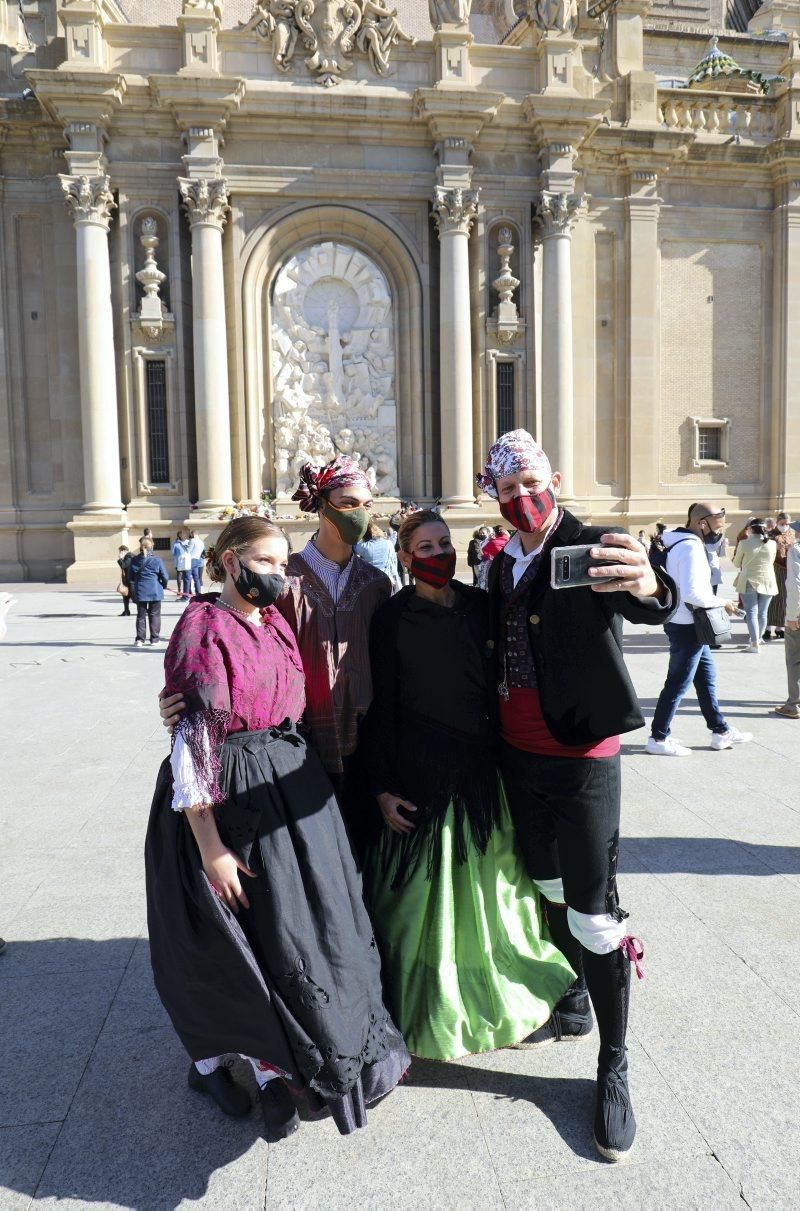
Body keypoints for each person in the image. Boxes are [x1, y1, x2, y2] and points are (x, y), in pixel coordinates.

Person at [145, 517, 409, 1140]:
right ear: (231, 561)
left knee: (287, 933)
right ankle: (212, 1063)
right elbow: (194, 739)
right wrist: (210, 846)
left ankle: (276, 1068)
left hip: (288, 787)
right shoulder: (201, 627)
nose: (281, 573)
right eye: (268, 560)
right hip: (228, 798)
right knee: (231, 940)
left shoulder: (277, 624)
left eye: (286, 562)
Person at [479, 429, 674, 1163]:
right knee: (545, 887)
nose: (524, 499)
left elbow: (652, 603)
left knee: (595, 914)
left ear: (554, 478)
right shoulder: (501, 565)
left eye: (532, 483)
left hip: (583, 760)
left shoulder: (596, 545)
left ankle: (615, 1064)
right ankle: (576, 997)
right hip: (517, 759)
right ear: (493, 499)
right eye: (508, 490)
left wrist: (652, 585)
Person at [362, 509, 574, 1060]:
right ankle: (424, 1012)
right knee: (416, 904)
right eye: (425, 547)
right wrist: (381, 786)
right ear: (405, 558)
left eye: (444, 544)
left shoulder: (482, 608)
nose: (438, 555)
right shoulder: (389, 619)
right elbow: (380, 707)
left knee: (498, 892)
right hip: (417, 773)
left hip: (483, 773)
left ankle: (509, 996)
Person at [160, 456, 391, 859]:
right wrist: (186, 697)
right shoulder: (284, 581)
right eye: (349, 502)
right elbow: (231, 644)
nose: (361, 515)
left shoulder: (376, 584)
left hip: (365, 747)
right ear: (321, 503)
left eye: (367, 505)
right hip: (296, 747)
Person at [647, 504, 751, 751]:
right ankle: (658, 738)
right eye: (718, 525)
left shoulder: (675, 541)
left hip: (682, 622)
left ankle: (720, 730)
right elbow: (694, 594)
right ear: (701, 523)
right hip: (689, 626)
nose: (721, 530)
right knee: (678, 682)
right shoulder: (691, 548)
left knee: (706, 679)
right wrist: (723, 602)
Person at [733, 519, 777, 652]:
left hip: (748, 580)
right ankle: (759, 638)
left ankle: (754, 643)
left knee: (752, 613)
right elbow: (772, 560)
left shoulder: (744, 543)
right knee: (763, 613)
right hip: (768, 580)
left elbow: (736, 563)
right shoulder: (772, 543)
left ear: (750, 529)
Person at [773, 531, 800, 719]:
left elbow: (795, 584)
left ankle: (794, 705)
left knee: (794, 659)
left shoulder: (796, 551)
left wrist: (792, 615)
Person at [128, 538, 169, 648]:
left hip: (140, 591)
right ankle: (154, 639)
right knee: (154, 615)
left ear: (140, 546)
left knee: (141, 616)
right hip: (155, 590)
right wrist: (163, 585)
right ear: (152, 546)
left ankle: (140, 640)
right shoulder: (157, 560)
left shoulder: (134, 560)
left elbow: (130, 577)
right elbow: (165, 576)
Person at [764, 513, 794, 641]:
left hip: (789, 569)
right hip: (774, 568)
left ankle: (779, 628)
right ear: (777, 523)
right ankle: (767, 628)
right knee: (771, 598)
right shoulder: (770, 535)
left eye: (787, 524)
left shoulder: (792, 533)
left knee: (784, 599)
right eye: (782, 524)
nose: (785, 526)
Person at [354, 518, 401, 591]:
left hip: (372, 582)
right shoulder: (388, 543)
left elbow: (353, 545)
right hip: (389, 579)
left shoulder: (365, 547)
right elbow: (393, 538)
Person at [477, 526, 510, 591]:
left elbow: (483, 551)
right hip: (507, 564)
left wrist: (489, 540)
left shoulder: (493, 542)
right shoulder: (509, 540)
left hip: (494, 564)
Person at [172, 530, 193, 601]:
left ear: (178, 536)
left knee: (179, 576)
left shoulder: (176, 544)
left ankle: (180, 591)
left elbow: (173, 553)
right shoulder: (189, 542)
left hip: (179, 563)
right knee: (187, 578)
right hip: (188, 563)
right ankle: (189, 591)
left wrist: (175, 542)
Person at [187, 530, 206, 597]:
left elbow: (188, 550)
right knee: (196, 577)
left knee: (188, 577)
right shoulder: (201, 542)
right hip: (197, 559)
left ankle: (187, 593)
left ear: (194, 535)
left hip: (191, 560)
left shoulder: (192, 541)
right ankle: (198, 592)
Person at [116, 545, 133, 617]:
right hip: (128, 580)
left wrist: (120, 559)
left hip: (131, 581)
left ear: (123, 551)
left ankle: (144, 610)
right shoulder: (128, 556)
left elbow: (123, 565)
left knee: (134, 597)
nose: (119, 553)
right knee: (125, 596)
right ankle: (126, 611)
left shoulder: (129, 556)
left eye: (120, 551)